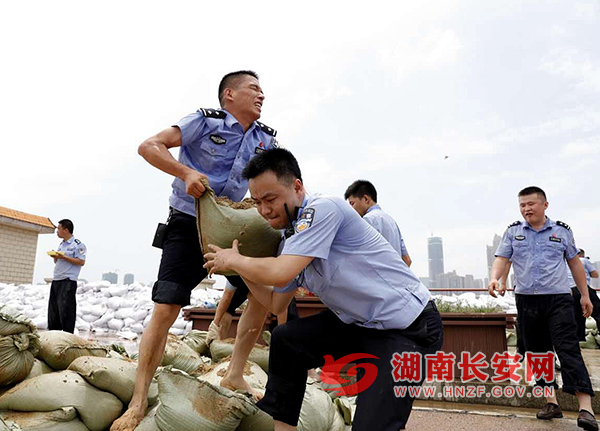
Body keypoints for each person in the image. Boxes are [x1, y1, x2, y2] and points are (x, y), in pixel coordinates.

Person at [204, 148, 443, 431]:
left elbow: (280, 271)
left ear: (297, 187)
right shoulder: (291, 240)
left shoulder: (324, 209)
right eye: (257, 202)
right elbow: (276, 303)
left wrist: (236, 261)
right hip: (361, 323)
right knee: (287, 340)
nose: (264, 210)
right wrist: (241, 268)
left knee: (372, 425)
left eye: (270, 199)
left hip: (407, 326)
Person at [111, 71, 278, 431]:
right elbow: (149, 146)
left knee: (262, 294)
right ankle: (138, 400)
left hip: (236, 227)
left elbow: (276, 181)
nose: (261, 95)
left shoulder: (266, 139)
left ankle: (235, 374)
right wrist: (185, 172)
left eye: (262, 90)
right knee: (166, 307)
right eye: (254, 88)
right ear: (229, 94)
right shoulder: (204, 121)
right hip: (188, 223)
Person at [488, 186, 597, 431]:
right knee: (538, 352)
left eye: (531, 204)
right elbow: (502, 258)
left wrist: (584, 295)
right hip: (527, 301)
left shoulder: (562, 231)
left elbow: (574, 264)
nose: (526, 209)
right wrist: (495, 277)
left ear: (545, 205)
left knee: (568, 349)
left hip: (559, 299)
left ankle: (586, 409)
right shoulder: (513, 231)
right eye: (522, 205)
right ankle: (551, 402)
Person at [344, 179, 412, 266]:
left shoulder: (367, 220)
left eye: (352, 203)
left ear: (365, 199)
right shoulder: (392, 221)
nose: (351, 209)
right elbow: (407, 260)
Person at [47, 219, 86, 333]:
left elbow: (81, 261)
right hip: (57, 280)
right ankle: (54, 334)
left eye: (59, 228)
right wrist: (56, 257)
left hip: (68, 281)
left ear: (66, 230)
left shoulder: (78, 245)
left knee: (66, 310)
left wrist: (64, 257)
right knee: (54, 311)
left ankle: (67, 334)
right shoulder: (61, 244)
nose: (57, 231)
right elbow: (58, 262)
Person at [569, 249, 600, 341]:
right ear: (582, 255)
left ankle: (580, 339)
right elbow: (595, 274)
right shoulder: (583, 260)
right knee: (598, 312)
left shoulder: (566, 262)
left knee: (578, 316)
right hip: (583, 288)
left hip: (571, 290)